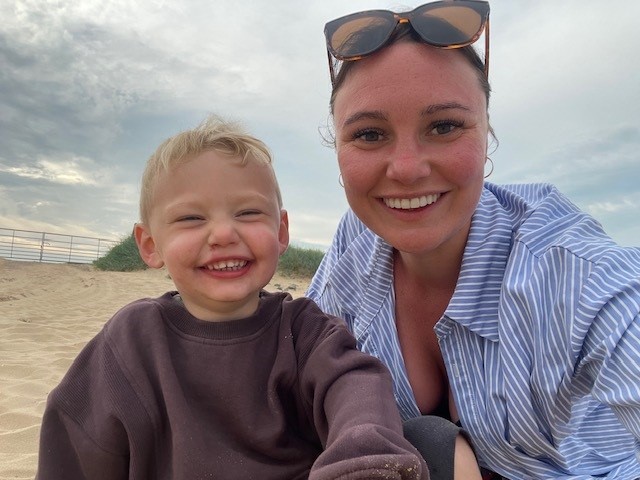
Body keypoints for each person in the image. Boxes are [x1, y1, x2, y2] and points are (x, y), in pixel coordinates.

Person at [308, 1, 640, 479]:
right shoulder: (357, 238)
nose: (406, 169)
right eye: (369, 134)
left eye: (444, 126)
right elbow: (306, 356)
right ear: (337, 146)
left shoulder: (570, 270)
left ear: (487, 130)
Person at [35, 115, 432, 480]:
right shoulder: (131, 341)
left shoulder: (307, 332)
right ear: (151, 245)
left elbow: (356, 388)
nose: (224, 234)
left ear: (281, 232)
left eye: (247, 213)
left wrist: (362, 456)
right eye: (191, 218)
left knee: (435, 440)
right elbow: (75, 441)